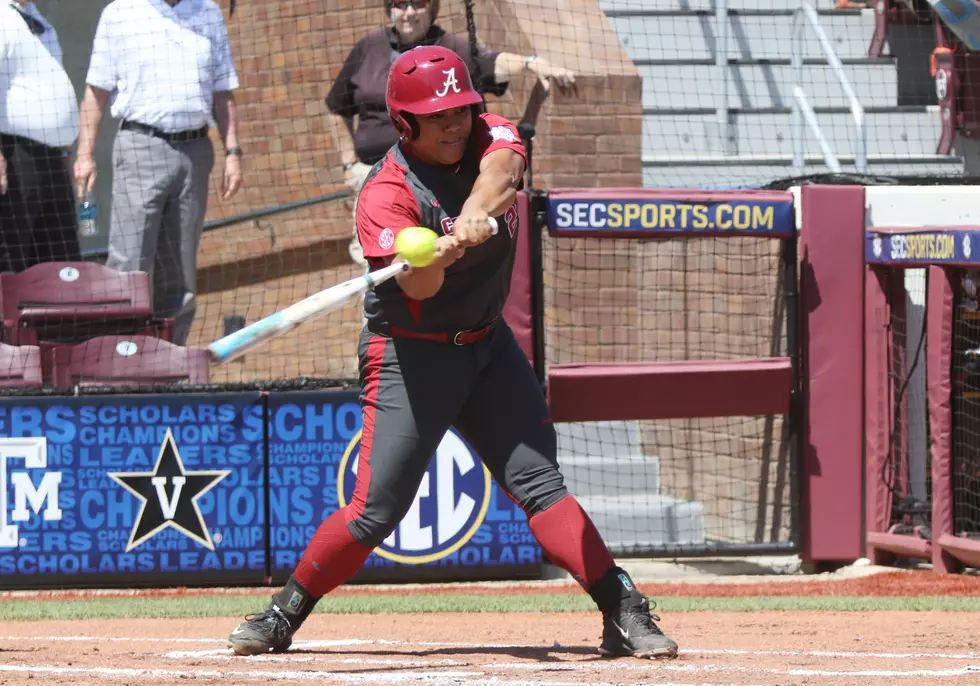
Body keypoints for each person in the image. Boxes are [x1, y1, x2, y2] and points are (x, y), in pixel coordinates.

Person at [228, 46, 678, 661]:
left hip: (488, 347)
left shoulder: (490, 131)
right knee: (373, 514)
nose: (454, 124)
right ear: (404, 123)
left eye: (459, 110)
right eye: (436, 116)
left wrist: (466, 219)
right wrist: (433, 257)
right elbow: (418, 290)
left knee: (541, 486)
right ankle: (284, 614)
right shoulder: (385, 195)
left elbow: (502, 173)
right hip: (411, 359)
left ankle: (622, 608)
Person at [325, 0, 576, 271]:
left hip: (440, 178)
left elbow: (492, 63)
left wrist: (531, 63)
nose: (409, 13)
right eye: (400, 4)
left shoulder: (448, 49)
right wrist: (349, 162)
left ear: (432, 9)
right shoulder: (369, 47)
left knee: (457, 266)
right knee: (386, 269)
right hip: (375, 172)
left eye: (418, 4)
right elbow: (335, 107)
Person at [74, 0, 244, 345]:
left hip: (195, 152)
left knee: (179, 270)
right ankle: (119, 360)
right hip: (140, 146)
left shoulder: (208, 12)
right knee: (129, 262)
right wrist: (85, 154)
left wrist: (233, 151)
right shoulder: (119, 13)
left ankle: (170, 360)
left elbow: (223, 89)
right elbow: (96, 92)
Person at [0, 0, 82, 273]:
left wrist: (65, 152)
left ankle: (58, 317)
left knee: (62, 267)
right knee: (11, 267)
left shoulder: (40, 22)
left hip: (53, 161)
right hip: (14, 159)